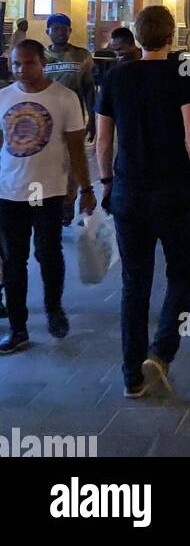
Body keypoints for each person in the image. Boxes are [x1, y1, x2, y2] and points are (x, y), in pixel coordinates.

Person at [95, 5, 190, 397]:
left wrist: (107, 181)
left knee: (134, 283)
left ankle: (131, 375)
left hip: (130, 192)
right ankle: (162, 351)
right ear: (170, 37)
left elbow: (104, 139)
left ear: (137, 35)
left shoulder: (114, 76)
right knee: (182, 275)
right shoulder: (180, 73)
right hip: (175, 191)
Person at [0, 39, 96, 354]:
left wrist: (85, 188)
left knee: (48, 253)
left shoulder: (64, 98)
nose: (20, 69)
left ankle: (53, 308)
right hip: (8, 193)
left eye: (28, 62)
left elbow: (75, 148)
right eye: (15, 63)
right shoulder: (3, 98)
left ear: (43, 62)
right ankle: (18, 328)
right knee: (13, 261)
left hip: (48, 191)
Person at [44, 14, 96, 156]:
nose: (60, 32)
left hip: (74, 117)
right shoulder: (40, 57)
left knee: (73, 158)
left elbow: (89, 89)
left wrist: (92, 118)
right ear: (47, 31)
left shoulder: (82, 55)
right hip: (46, 117)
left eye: (64, 29)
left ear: (70, 31)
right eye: (55, 29)